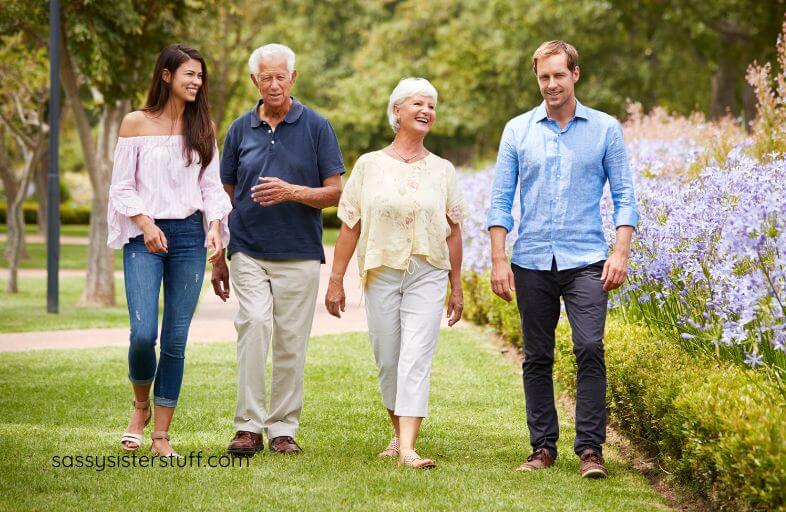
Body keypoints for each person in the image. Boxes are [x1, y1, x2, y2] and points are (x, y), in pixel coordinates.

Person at [486, 40, 638, 478]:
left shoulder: (605, 128)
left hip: (587, 258)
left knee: (589, 347)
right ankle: (543, 447)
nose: (551, 84)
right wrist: (499, 259)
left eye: (558, 75)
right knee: (537, 355)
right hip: (531, 259)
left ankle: (590, 450)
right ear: (538, 79)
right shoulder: (517, 130)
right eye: (543, 77)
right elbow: (500, 202)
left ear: (575, 74)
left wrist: (620, 250)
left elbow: (625, 196)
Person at [325, 77, 466, 469]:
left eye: (432, 106)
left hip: (428, 271)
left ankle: (408, 448)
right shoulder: (369, 165)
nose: (426, 111)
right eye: (418, 104)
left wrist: (457, 286)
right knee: (388, 358)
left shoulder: (443, 170)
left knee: (416, 357)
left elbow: (454, 230)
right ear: (396, 112)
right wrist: (336, 280)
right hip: (381, 273)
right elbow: (349, 226)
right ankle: (397, 432)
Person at [212, 44, 345, 456]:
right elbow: (222, 197)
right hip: (248, 249)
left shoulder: (317, 127)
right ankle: (248, 427)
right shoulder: (239, 129)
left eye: (280, 76)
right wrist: (218, 255)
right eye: (265, 77)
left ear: (293, 78)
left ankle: (283, 429)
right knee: (252, 324)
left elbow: (336, 194)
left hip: (300, 252)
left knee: (291, 340)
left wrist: (292, 191)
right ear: (255, 81)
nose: (273, 84)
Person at [109, 44, 231, 457]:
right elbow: (122, 186)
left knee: (175, 340)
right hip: (143, 237)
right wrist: (144, 224)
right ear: (166, 76)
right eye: (189, 74)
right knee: (143, 335)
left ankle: (161, 435)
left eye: (200, 75)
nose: (197, 81)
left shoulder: (204, 127)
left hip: (187, 240)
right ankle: (139, 408)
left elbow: (210, 187)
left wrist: (214, 227)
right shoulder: (135, 123)